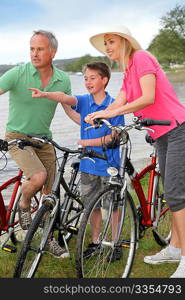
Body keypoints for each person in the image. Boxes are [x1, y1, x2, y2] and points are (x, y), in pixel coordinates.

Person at [84, 25, 185, 278]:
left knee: (175, 194)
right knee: (170, 192)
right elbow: (121, 99)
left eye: (111, 41)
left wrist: (115, 112)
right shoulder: (128, 70)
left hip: (177, 129)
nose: (107, 47)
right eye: (104, 43)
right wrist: (102, 112)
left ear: (125, 41)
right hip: (160, 133)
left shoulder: (142, 58)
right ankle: (174, 247)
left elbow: (148, 96)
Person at [29, 61, 125, 261]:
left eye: (92, 78)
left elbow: (113, 138)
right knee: (92, 207)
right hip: (88, 165)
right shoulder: (84, 101)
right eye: (85, 78)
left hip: (108, 166)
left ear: (104, 80)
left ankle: (116, 244)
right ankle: (96, 242)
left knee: (113, 207)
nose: (88, 82)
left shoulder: (114, 105)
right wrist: (47, 94)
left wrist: (85, 141)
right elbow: (66, 98)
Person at [0, 30, 77, 258]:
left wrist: (92, 123)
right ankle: (24, 203)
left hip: (44, 139)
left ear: (53, 52)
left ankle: (49, 239)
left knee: (50, 195)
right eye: (32, 48)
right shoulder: (17, 73)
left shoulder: (62, 79)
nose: (34, 53)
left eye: (40, 49)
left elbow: (71, 111)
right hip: (17, 137)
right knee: (38, 177)